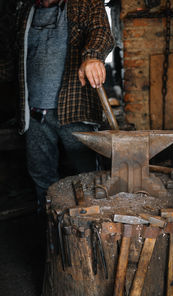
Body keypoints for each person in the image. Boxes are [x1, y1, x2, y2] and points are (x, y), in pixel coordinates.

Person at [15, 0, 114, 211]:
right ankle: (51, 232)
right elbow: (10, 56)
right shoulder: (24, 10)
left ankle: (91, 229)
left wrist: (93, 56)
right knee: (41, 176)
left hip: (74, 110)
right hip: (34, 113)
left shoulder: (85, 3)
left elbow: (102, 31)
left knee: (89, 177)